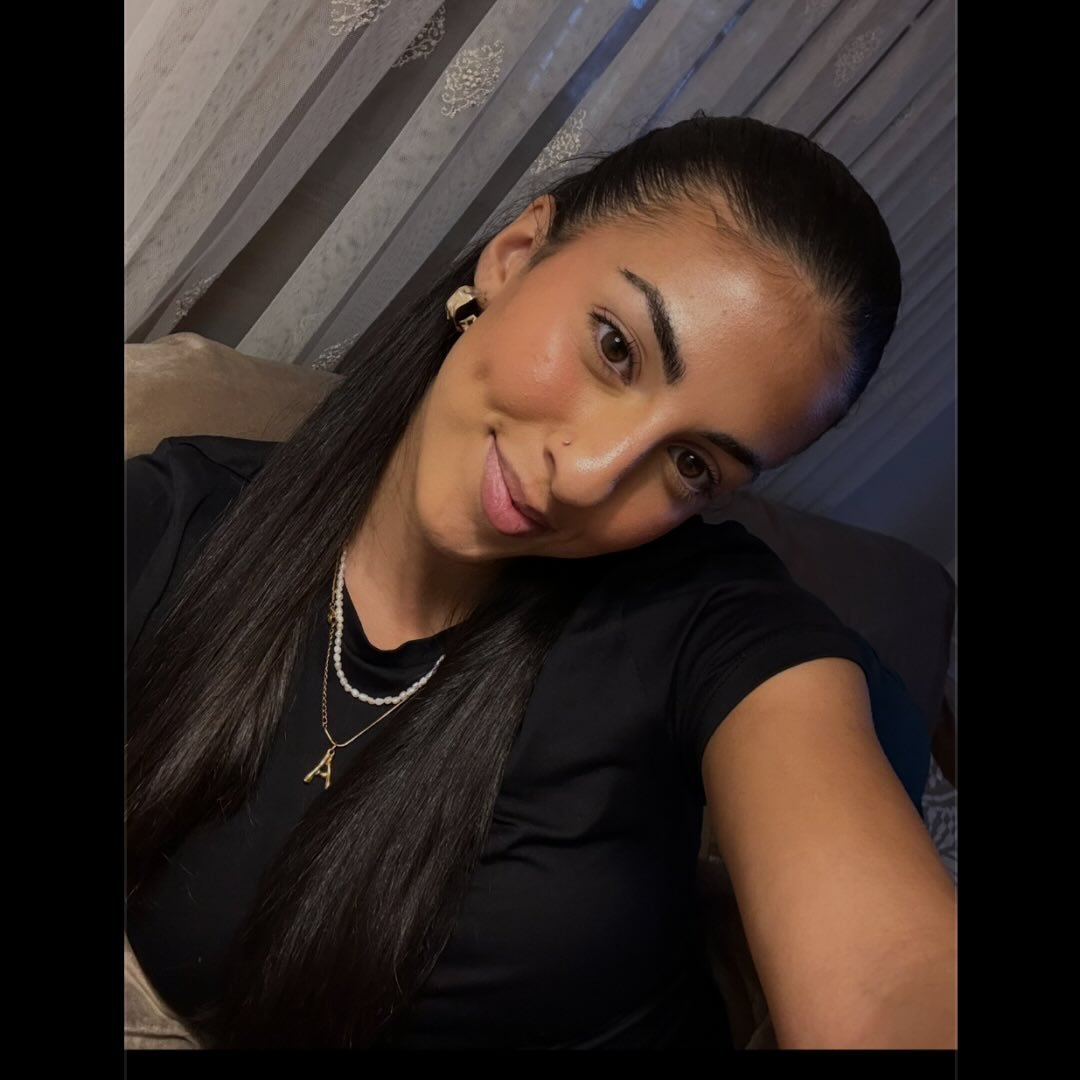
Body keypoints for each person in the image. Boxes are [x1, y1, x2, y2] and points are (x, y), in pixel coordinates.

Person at [125, 114, 957, 1050]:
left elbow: (889, 981)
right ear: (514, 257)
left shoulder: (708, 623)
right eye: (616, 348)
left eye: (691, 464)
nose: (592, 475)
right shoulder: (180, 522)